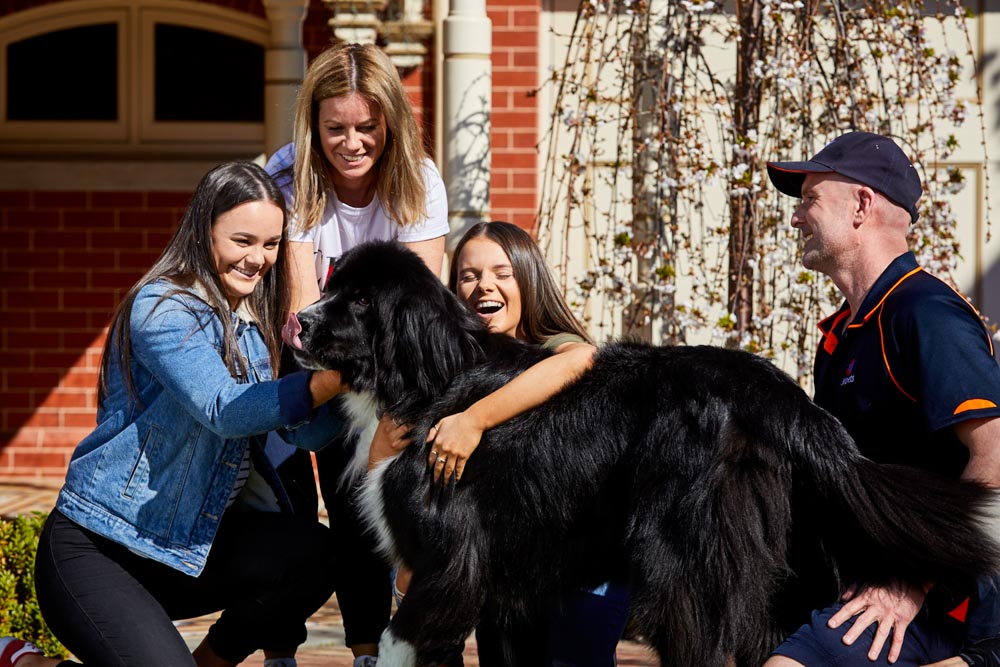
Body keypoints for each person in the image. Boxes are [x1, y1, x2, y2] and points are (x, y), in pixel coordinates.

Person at [0, 161, 347, 667]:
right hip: (98, 551)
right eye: (243, 241)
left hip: (183, 551)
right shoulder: (161, 308)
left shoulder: (251, 328)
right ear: (204, 231)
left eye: (271, 245)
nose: (259, 259)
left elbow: (310, 433)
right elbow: (224, 409)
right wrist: (326, 382)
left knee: (316, 553)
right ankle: (29, 664)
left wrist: (361, 379)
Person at [763, 131, 1000, 667]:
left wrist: (911, 585)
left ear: (861, 206)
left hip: (946, 603)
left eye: (809, 201)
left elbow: (997, 454)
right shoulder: (841, 335)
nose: (797, 218)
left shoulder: (925, 314)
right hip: (864, 584)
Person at [263, 41, 449, 665]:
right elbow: (299, 318)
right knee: (287, 511)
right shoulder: (287, 174)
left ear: (390, 120)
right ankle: (280, 649)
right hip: (298, 362)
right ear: (313, 125)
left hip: (378, 378)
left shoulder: (419, 181)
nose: (351, 142)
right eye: (334, 127)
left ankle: (369, 650)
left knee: (362, 509)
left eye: (367, 126)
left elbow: (418, 314)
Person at [422, 220, 631, 666]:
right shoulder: (458, 370)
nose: (484, 286)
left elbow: (583, 360)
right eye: (468, 275)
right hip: (506, 573)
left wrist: (474, 420)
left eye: (502, 273)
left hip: (582, 571)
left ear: (528, 277)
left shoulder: (553, 346)